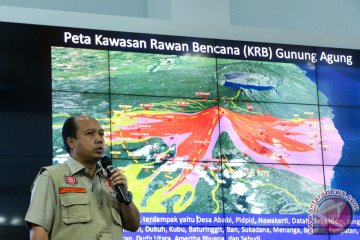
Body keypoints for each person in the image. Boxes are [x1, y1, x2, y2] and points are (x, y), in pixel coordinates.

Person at [25, 115, 140, 240]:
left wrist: (124, 197)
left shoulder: (111, 180)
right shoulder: (51, 177)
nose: (99, 139)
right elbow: (38, 234)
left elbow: (133, 226)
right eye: (90, 134)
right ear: (71, 142)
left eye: (101, 134)